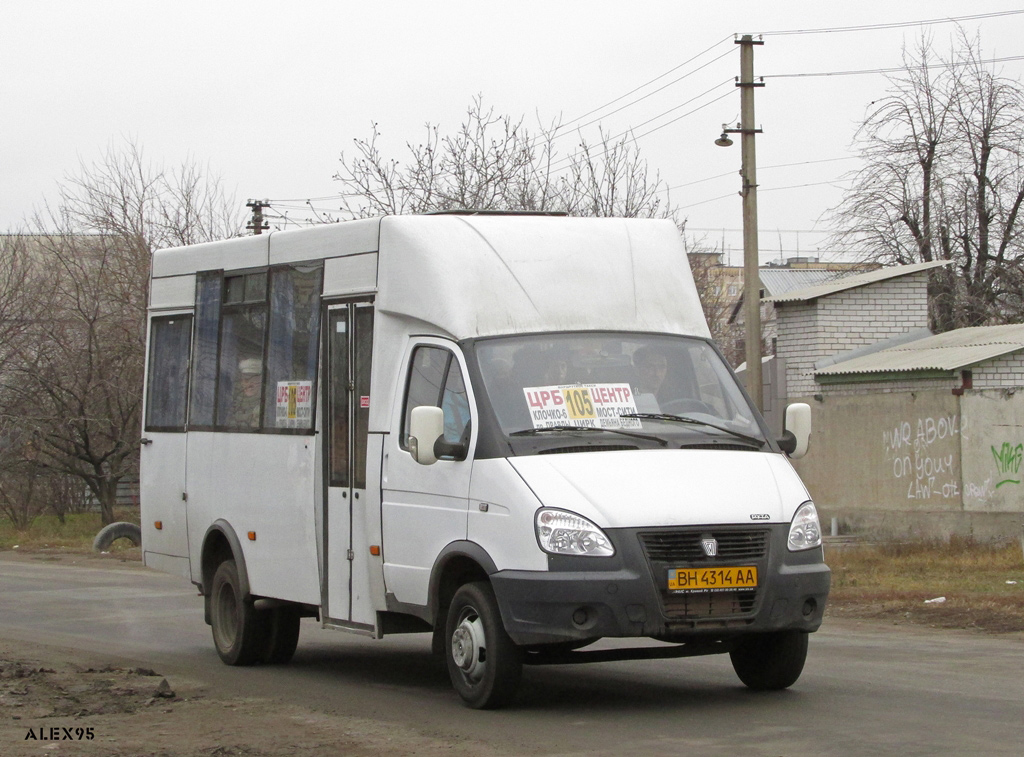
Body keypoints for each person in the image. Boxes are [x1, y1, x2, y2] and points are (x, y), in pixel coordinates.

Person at [632, 346, 668, 413]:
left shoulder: (672, 402)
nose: (657, 374)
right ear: (636, 370)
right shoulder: (628, 401)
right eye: (650, 367)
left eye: (662, 367)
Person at [229, 357, 262, 427]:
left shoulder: (267, 406)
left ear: (261, 381)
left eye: (254, 380)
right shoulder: (235, 404)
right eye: (245, 380)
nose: (249, 384)